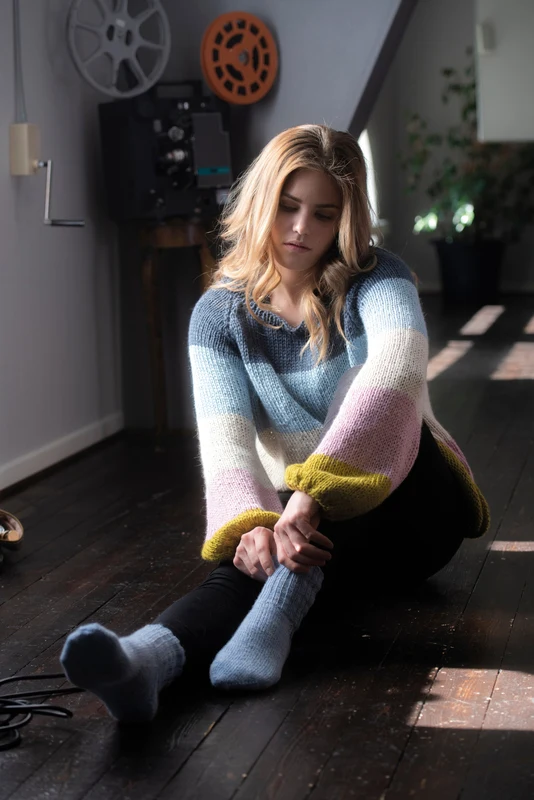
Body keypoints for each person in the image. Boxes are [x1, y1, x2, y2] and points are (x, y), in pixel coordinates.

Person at [60, 124, 490, 723]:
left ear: (344, 221)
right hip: (314, 532)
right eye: (288, 206)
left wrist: (309, 498)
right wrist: (251, 524)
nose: (301, 228)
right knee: (252, 557)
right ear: (262, 200)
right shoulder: (218, 316)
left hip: (415, 509)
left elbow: (397, 372)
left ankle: (280, 609)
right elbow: (226, 443)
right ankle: (148, 659)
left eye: (323, 214)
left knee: (366, 389)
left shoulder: (380, 277)